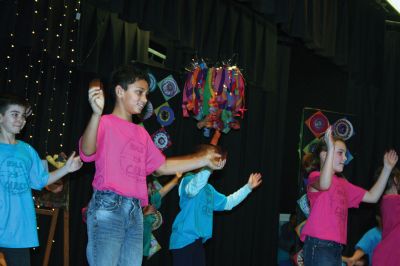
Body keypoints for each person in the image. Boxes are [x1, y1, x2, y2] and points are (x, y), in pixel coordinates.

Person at [79, 65, 226, 266]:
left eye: (146, 94)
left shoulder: (141, 133)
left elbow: (162, 166)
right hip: (108, 206)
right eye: (139, 92)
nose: (145, 99)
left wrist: (204, 160)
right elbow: (86, 152)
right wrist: (95, 115)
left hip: (135, 211)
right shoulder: (105, 122)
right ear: (120, 91)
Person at [0, 93, 83, 266]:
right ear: (0, 117)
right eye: (14, 114)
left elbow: (41, 180)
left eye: (23, 115)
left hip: (18, 231)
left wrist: (66, 169)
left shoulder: (27, 150)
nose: (20, 120)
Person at [299, 127, 398, 266]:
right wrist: (331, 148)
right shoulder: (314, 177)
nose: (345, 158)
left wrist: (387, 169)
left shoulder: (343, 184)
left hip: (336, 248)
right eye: (340, 153)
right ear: (324, 155)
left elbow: (372, 196)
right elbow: (325, 184)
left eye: (345, 154)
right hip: (319, 245)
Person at [169, 144, 262, 266]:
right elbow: (193, 189)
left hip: (197, 242)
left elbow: (228, 203)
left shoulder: (209, 189)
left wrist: (248, 188)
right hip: (183, 240)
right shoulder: (187, 179)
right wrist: (209, 168)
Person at [143, 172, 183, 259]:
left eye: (151, 187)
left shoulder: (151, 200)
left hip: (145, 250)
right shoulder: (131, 202)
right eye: (148, 187)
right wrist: (144, 214)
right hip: (131, 246)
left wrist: (177, 177)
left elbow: (164, 190)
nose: (151, 190)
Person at [372, 167, 400, 265]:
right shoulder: (395, 200)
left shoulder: (385, 202)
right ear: (396, 180)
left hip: (386, 255)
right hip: (393, 256)